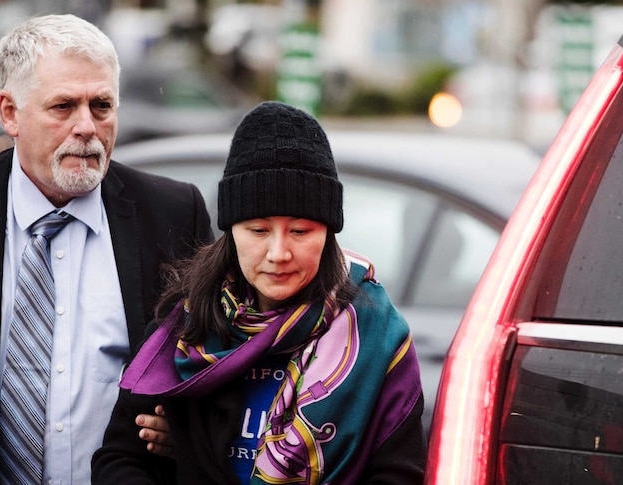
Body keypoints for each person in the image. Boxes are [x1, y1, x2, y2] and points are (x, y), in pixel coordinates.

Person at [0, 14, 212, 485]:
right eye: (64, 106)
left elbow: (220, 365)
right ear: (10, 113)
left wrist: (190, 428)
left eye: (102, 105)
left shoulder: (172, 213)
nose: (87, 126)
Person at [91, 101, 426, 484]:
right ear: (231, 231)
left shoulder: (377, 337)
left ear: (329, 232)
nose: (279, 253)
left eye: (300, 231)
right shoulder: (187, 328)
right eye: (258, 231)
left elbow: (401, 475)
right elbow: (118, 459)